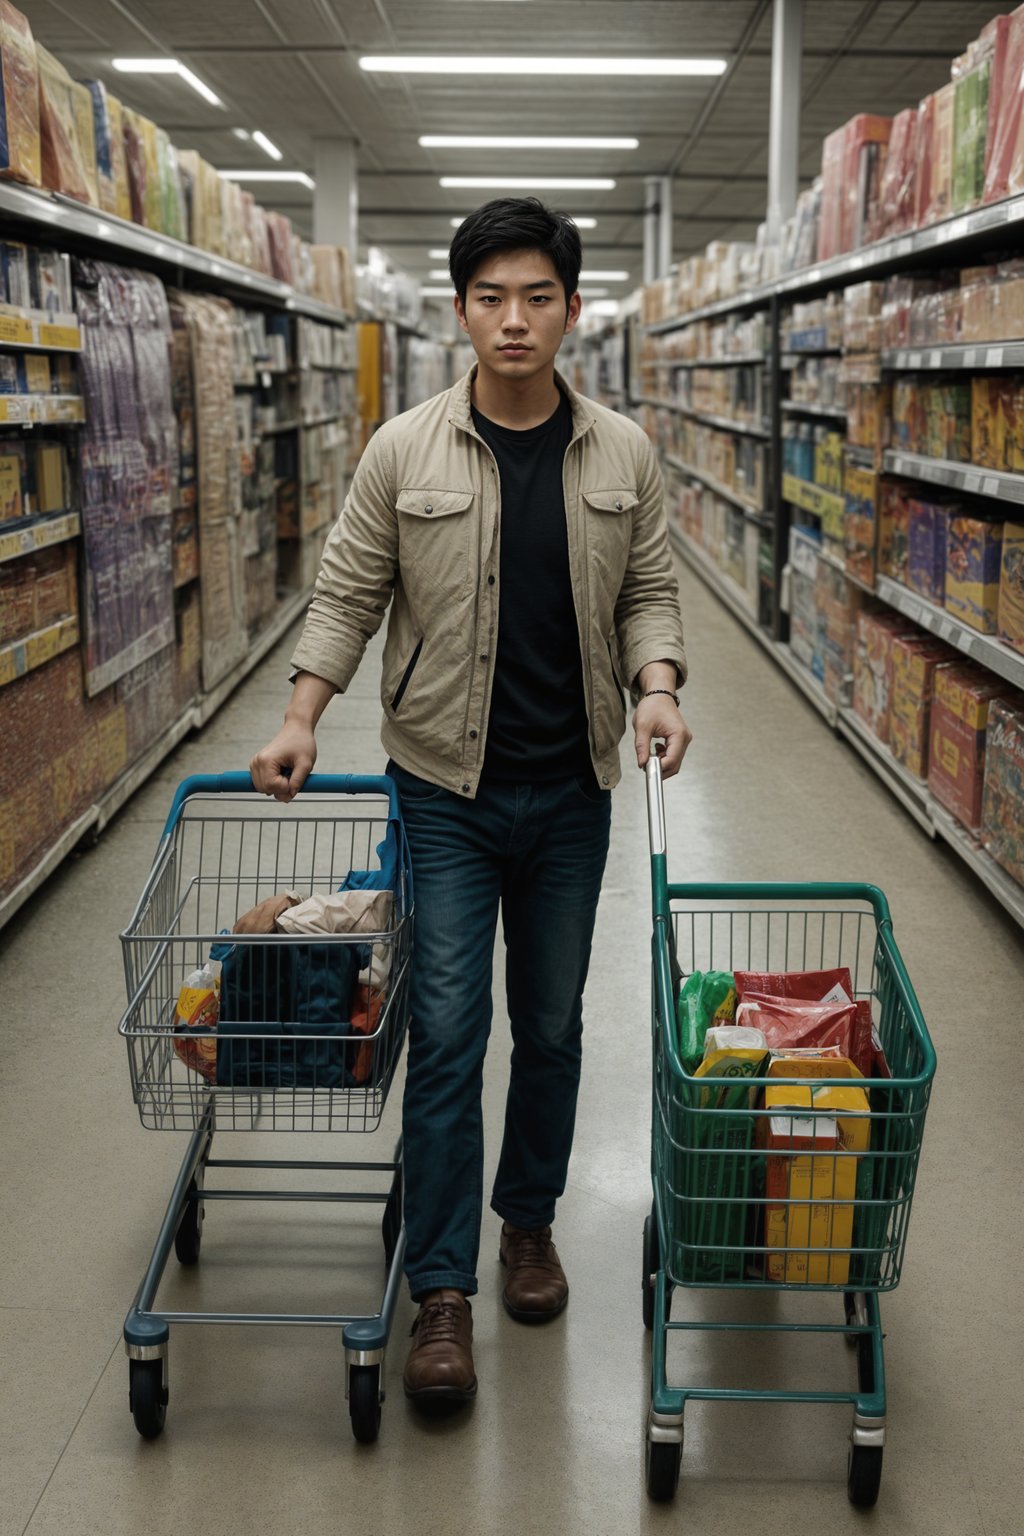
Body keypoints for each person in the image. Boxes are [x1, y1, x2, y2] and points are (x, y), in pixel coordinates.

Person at [250, 198, 690, 1411]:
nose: (513, 319)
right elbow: (345, 594)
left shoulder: (624, 454)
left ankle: (527, 1225)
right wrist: (299, 716)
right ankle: (440, 1287)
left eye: (536, 297)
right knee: (447, 1031)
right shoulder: (403, 451)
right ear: (459, 312)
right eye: (490, 298)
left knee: (549, 1027)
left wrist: (656, 687)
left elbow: (649, 590)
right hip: (440, 789)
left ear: (570, 311)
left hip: (572, 789)